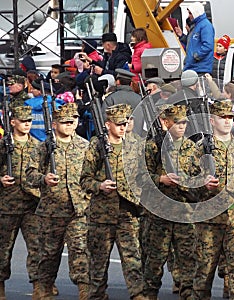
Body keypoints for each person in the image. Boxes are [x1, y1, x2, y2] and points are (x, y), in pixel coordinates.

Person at [80, 103, 145, 300]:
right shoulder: (97, 145)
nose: (123, 127)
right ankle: (97, 295)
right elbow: (84, 179)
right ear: (108, 124)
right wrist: (99, 186)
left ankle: (138, 294)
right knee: (98, 261)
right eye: (118, 124)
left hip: (128, 212)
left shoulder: (136, 144)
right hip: (102, 213)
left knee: (132, 258)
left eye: (125, 123)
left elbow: (144, 176)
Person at [25, 103, 90, 299]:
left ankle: (85, 290)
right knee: (49, 254)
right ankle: (44, 289)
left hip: (78, 209)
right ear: (55, 124)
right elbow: (30, 173)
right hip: (52, 211)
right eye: (66, 122)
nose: (71, 125)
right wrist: (43, 179)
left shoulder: (85, 146)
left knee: (80, 251)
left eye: (74, 121)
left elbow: (93, 174)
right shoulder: (44, 147)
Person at [137, 104, 196, 300]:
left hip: (184, 211)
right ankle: (149, 293)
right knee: (155, 259)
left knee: (188, 258)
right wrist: (160, 180)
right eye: (177, 122)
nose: (182, 126)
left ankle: (187, 293)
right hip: (159, 212)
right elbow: (140, 177)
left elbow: (199, 176)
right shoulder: (153, 146)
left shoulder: (191, 147)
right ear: (165, 122)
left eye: (184, 122)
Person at [192, 99, 234, 300]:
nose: (227, 122)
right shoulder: (201, 147)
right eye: (222, 117)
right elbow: (187, 180)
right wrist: (202, 182)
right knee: (204, 268)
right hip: (209, 217)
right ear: (212, 120)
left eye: (230, 118)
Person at [0, 106, 41, 299]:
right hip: (7, 204)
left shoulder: (37, 146)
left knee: (36, 247)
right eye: (22, 120)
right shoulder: (4, 145)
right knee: (3, 248)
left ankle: (39, 285)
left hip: (31, 204)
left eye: (29, 121)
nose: (26, 124)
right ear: (12, 122)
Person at [102, 68, 143, 136]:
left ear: (118, 82)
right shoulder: (140, 98)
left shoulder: (110, 98)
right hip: (137, 137)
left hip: (116, 136)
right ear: (130, 83)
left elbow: (105, 119)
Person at [183, 2, 215, 75]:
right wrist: (182, 36)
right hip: (194, 67)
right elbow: (192, 43)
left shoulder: (205, 25)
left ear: (196, 12)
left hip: (199, 68)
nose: (189, 16)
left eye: (190, 13)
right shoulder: (198, 25)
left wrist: (196, 56)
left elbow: (208, 45)